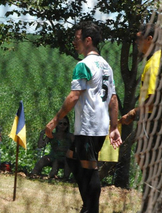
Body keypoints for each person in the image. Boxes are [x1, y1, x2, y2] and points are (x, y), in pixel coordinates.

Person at [45, 21, 122, 213]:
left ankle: (91, 209)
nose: (73, 42)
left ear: (88, 40)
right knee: (72, 157)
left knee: (90, 168)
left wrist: (55, 120)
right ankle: (88, 205)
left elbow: (73, 96)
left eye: (76, 38)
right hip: (100, 125)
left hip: (89, 125)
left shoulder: (83, 65)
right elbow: (113, 99)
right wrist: (113, 127)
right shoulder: (106, 66)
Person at [119, 24, 162, 212]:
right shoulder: (159, 59)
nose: (136, 43)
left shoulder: (154, 63)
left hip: (154, 122)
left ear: (150, 39)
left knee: (147, 161)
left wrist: (133, 113)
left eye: (139, 39)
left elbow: (154, 98)